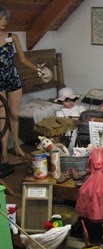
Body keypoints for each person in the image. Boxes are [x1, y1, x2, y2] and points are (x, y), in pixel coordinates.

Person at [0, 6, 47, 163]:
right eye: (1, 18)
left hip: (13, 80)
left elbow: (22, 59)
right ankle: (5, 153)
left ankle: (18, 148)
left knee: (14, 114)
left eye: (6, 19)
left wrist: (38, 69)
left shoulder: (12, 37)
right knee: (2, 118)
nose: (3, 22)